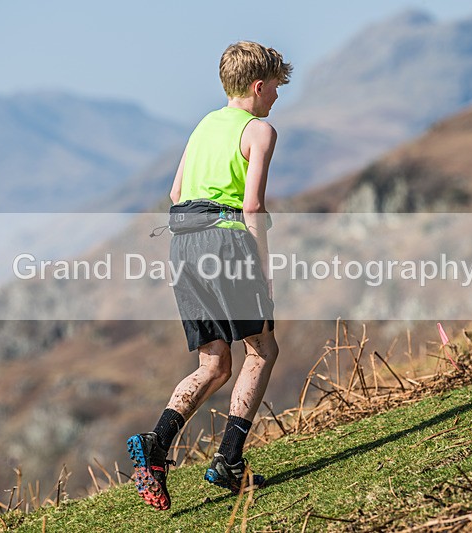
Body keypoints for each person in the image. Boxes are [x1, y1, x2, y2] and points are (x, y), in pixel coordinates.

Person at [126, 40, 292, 511]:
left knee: (214, 364)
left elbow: (176, 190)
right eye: (276, 88)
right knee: (262, 348)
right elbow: (254, 205)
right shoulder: (259, 130)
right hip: (226, 239)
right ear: (259, 87)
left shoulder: (203, 125)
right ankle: (229, 460)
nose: (277, 97)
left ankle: (157, 443)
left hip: (184, 243)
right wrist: (262, 265)